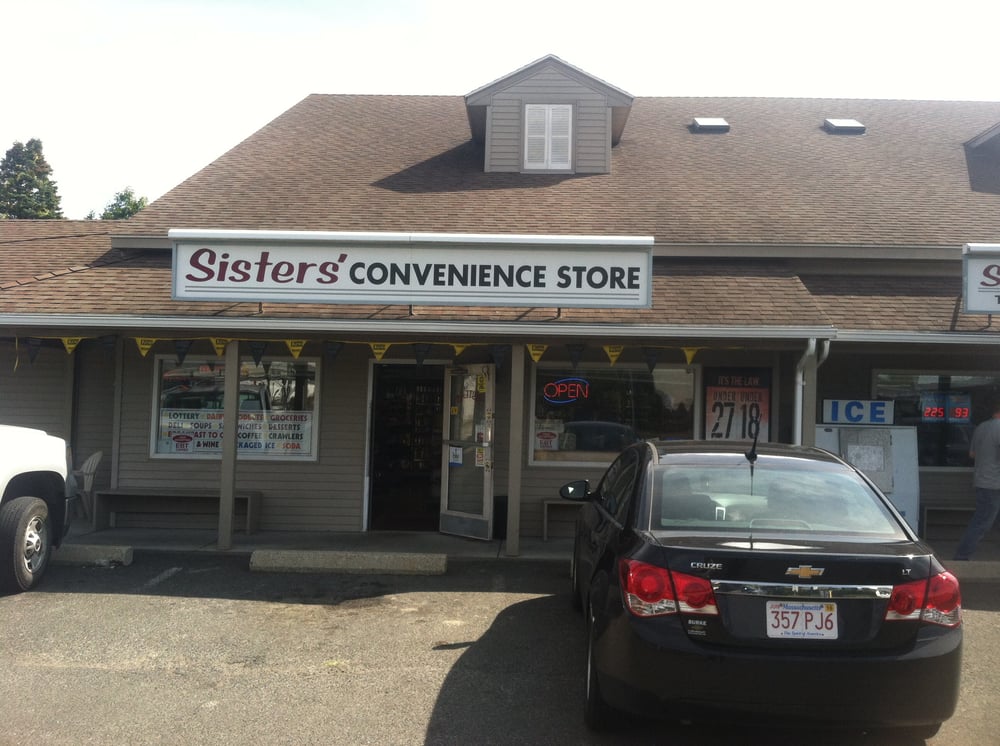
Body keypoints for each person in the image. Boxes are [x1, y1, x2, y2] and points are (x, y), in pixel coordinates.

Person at [954, 401, 1000, 560]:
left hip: (982, 480)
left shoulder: (981, 427)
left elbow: (972, 454)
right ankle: (962, 555)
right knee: (982, 522)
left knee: (983, 519)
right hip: (994, 483)